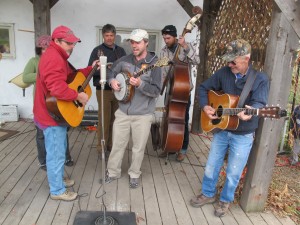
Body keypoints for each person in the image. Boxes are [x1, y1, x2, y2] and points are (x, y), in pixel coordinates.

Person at [190, 39, 269, 217]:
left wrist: (249, 111)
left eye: (233, 60)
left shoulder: (260, 79)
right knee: (211, 165)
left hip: (243, 133)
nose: (229, 64)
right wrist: (205, 107)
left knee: (234, 171)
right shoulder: (224, 73)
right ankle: (208, 194)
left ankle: (225, 200)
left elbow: (259, 103)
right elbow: (203, 88)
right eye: (228, 60)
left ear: (246, 59)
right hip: (222, 130)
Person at [33, 25, 99, 201]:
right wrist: (78, 96)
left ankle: (59, 178)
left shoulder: (59, 55)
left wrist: (90, 69)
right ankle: (57, 191)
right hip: (50, 115)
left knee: (59, 149)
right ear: (56, 41)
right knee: (55, 152)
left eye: (74, 43)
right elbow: (57, 89)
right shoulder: (53, 58)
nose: (72, 46)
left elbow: (72, 76)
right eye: (69, 43)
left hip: (54, 113)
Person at [105, 29, 162, 188]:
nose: (134, 45)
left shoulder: (155, 64)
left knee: (138, 147)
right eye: (132, 42)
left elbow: (157, 91)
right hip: (123, 112)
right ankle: (113, 172)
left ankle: (134, 174)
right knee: (117, 144)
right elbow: (111, 71)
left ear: (146, 42)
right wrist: (112, 82)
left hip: (143, 115)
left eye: (138, 42)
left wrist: (141, 84)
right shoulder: (124, 60)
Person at [23, 35, 74, 170]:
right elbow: (25, 77)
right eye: (43, 48)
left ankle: (66, 157)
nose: (46, 50)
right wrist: (43, 74)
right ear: (39, 49)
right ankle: (43, 160)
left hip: (55, 102)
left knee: (61, 133)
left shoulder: (58, 59)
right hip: (42, 101)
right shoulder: (34, 61)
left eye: (48, 47)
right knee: (42, 134)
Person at [159, 25, 199, 162]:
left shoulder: (184, 47)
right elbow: (163, 71)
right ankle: (167, 145)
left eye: (168, 38)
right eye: (164, 38)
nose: (166, 40)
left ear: (175, 36)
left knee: (182, 120)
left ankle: (182, 149)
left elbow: (196, 61)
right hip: (170, 90)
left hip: (182, 91)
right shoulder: (163, 51)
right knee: (167, 118)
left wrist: (186, 47)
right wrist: (162, 86)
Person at [88, 24, 126, 155]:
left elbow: (126, 69)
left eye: (111, 35)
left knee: (115, 120)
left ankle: (111, 146)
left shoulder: (121, 51)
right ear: (103, 36)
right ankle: (101, 148)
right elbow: (90, 70)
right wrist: (103, 70)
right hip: (103, 89)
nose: (109, 38)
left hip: (118, 90)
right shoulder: (97, 51)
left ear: (115, 36)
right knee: (104, 119)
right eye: (107, 35)